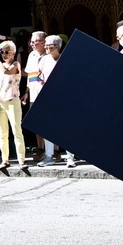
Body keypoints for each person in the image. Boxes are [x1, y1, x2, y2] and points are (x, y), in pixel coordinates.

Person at [36, 35, 75, 168]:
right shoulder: (43, 60)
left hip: (64, 98)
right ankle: (49, 156)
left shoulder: (65, 59)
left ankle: (70, 157)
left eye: (48, 45)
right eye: (45, 44)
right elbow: (38, 77)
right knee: (49, 129)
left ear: (57, 47)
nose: (45, 46)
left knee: (67, 128)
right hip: (48, 98)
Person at [0, 40, 26, 172]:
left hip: (13, 100)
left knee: (17, 131)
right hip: (1, 101)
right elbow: (1, 82)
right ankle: (5, 159)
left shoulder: (15, 64)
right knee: (2, 133)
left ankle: (21, 160)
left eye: (7, 52)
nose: (4, 55)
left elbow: (7, 72)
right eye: (3, 52)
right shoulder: (1, 66)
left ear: (13, 53)